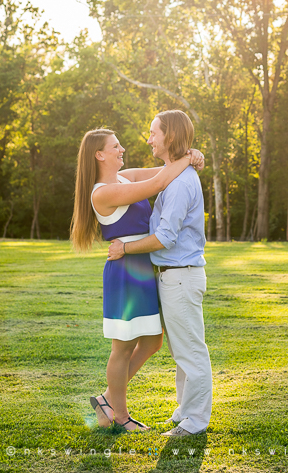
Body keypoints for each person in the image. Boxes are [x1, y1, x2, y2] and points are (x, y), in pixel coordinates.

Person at [70, 127, 204, 432]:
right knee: (123, 347)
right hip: (126, 270)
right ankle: (120, 414)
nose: (122, 149)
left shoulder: (125, 176)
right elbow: (159, 182)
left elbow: (165, 168)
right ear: (99, 154)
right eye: (115, 146)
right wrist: (189, 158)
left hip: (144, 266)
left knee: (152, 341)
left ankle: (106, 398)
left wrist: (193, 155)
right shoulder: (102, 191)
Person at [107, 110, 212, 437]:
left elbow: (165, 237)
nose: (149, 138)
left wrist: (125, 248)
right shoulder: (173, 175)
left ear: (170, 136)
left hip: (181, 274)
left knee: (191, 350)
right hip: (172, 275)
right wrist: (192, 157)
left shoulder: (180, 184)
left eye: (154, 132)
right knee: (182, 350)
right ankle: (185, 411)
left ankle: (195, 422)